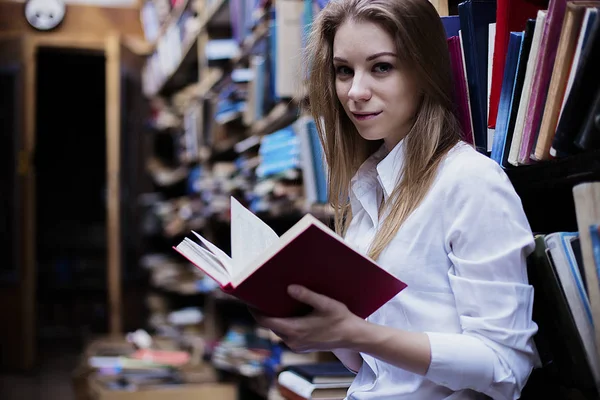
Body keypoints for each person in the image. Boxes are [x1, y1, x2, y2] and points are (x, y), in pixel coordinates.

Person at [252, 0, 539, 399]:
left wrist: (357, 332)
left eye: (381, 67)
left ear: (423, 72)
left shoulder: (470, 182)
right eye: (343, 71)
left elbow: (505, 367)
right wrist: (309, 323)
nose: (355, 92)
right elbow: (365, 364)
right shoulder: (368, 187)